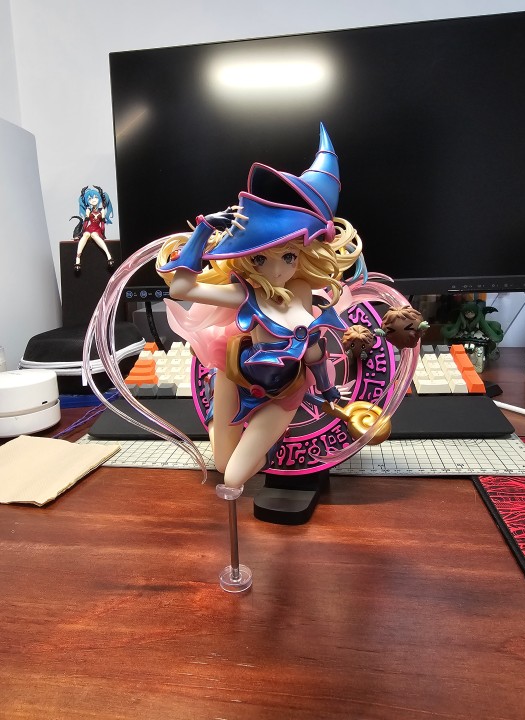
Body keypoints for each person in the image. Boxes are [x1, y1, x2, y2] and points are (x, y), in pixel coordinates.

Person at [87, 124, 421, 491]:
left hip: (284, 394)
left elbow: (315, 357)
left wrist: (329, 395)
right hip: (233, 377)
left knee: (233, 476)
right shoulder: (245, 293)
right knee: (221, 465)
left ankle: (268, 448)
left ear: (305, 253)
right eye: (260, 258)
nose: (275, 271)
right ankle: (214, 409)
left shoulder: (308, 298)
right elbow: (182, 286)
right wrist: (203, 230)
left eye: (288, 256)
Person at [71, 185, 115, 273]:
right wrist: (82, 232)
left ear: (99, 198)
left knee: (94, 235)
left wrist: (103, 233)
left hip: (97, 229)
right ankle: (77, 259)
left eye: (95, 197)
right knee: (86, 235)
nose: (93, 200)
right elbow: (86, 223)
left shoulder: (101, 211)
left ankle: (108, 255)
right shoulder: (88, 211)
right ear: (88, 201)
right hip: (89, 228)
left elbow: (102, 224)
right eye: (90, 198)